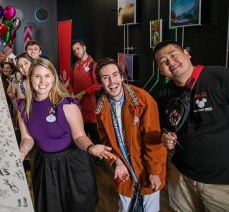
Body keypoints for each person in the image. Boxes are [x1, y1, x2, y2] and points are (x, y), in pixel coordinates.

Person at [16, 58, 116, 212]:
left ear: (54, 78)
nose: (43, 81)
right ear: (30, 78)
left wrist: (90, 147)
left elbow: (79, 136)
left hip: (72, 164)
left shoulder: (67, 104)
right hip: (45, 165)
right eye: (37, 76)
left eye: (47, 75)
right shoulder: (23, 107)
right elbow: (27, 138)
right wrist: (22, 152)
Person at [154, 41, 229, 212]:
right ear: (160, 70)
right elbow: (164, 129)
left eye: (173, 55)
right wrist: (164, 137)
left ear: (187, 54)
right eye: (163, 61)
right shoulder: (163, 94)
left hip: (221, 183)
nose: (170, 62)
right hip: (181, 177)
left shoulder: (220, 77)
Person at [95, 57, 167, 212]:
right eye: (105, 78)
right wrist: (117, 163)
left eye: (115, 75)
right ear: (100, 83)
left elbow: (153, 139)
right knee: (125, 208)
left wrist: (155, 171)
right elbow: (106, 140)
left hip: (146, 168)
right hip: (124, 171)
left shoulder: (143, 100)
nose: (112, 81)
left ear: (122, 76)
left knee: (150, 209)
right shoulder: (100, 108)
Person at [68, 40, 101, 144]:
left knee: (93, 133)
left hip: (89, 105)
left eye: (78, 49)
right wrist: (72, 93)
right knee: (79, 132)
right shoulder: (74, 65)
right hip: (77, 105)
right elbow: (70, 83)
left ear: (84, 47)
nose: (76, 52)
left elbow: (98, 85)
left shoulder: (93, 65)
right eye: (74, 51)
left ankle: (98, 157)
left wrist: (83, 93)